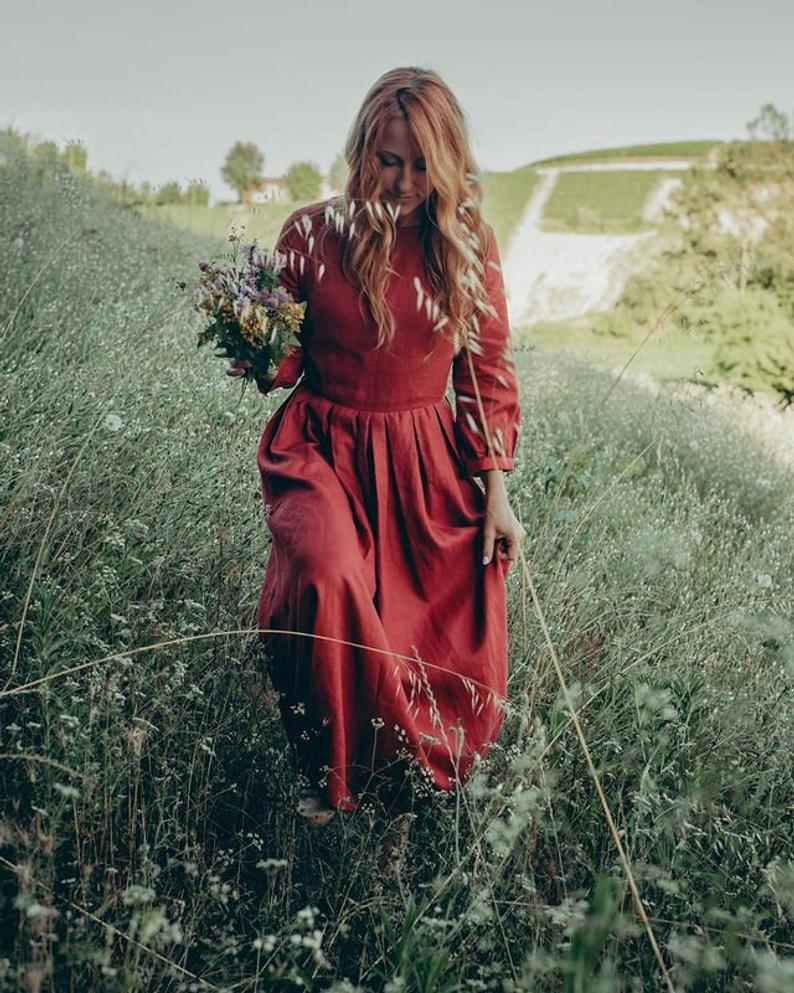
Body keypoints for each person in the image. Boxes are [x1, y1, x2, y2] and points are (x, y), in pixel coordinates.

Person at [228, 67, 525, 843]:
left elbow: (484, 373)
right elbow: (288, 363)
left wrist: (497, 490)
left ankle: (391, 776)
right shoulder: (310, 234)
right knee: (327, 577)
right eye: (387, 160)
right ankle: (332, 777)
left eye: (421, 164)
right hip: (320, 447)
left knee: (407, 624)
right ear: (363, 149)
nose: (401, 181)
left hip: (420, 458)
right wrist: (256, 350)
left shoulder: (464, 243)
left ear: (448, 162)